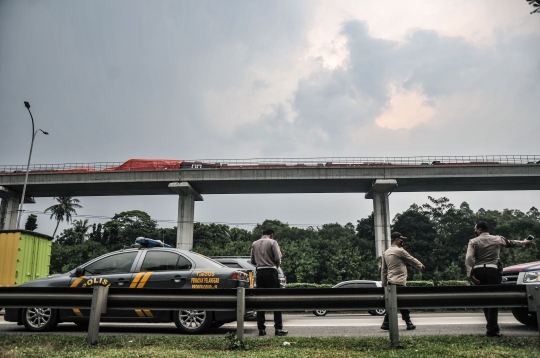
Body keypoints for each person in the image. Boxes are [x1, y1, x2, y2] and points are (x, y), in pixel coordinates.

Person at [465, 221, 532, 337]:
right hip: (493, 271)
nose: (475, 231)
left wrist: (470, 274)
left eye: (475, 229)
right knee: (494, 299)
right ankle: (492, 329)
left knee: (484, 300)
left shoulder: (473, 241)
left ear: (480, 229)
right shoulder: (498, 239)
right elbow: (513, 243)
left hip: (479, 271)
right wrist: (525, 242)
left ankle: (491, 327)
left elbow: (469, 257)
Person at [380, 232, 425, 331]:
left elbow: (383, 270)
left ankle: (386, 323)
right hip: (400, 282)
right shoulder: (400, 251)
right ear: (396, 240)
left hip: (391, 282)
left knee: (393, 303)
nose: (402, 241)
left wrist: (384, 284)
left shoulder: (386, 252)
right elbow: (411, 259)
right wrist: (421, 266)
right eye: (401, 239)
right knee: (403, 302)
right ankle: (408, 323)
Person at [251, 228, 288, 336]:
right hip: (271, 271)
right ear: (271, 235)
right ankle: (278, 328)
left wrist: (260, 264)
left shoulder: (254, 243)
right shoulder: (273, 242)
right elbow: (278, 257)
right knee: (276, 299)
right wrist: (275, 264)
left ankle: (261, 329)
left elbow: (252, 260)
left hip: (260, 272)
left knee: (260, 301)